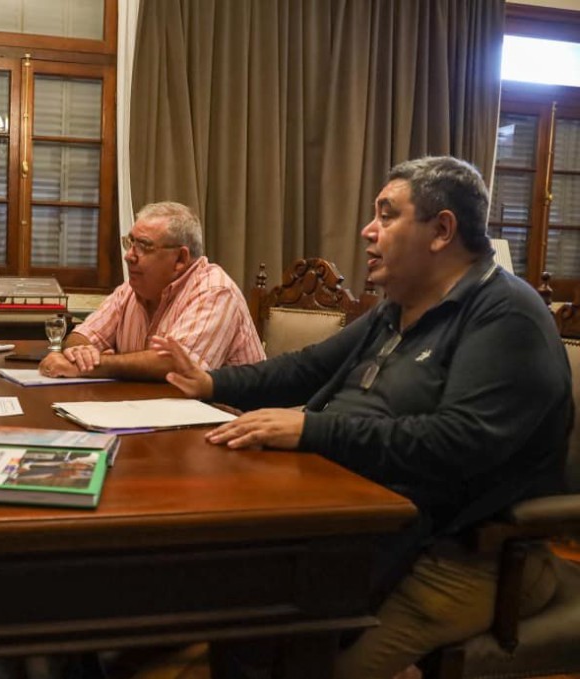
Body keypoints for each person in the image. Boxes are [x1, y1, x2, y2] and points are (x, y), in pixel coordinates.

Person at [151, 156, 569, 678]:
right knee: (235, 599)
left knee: (303, 660)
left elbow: (459, 442)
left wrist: (311, 429)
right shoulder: (398, 306)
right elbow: (307, 368)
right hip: (350, 513)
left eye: (387, 215)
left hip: (456, 551)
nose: (368, 230)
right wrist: (211, 382)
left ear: (442, 230)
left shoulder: (505, 314)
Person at [39, 201, 264, 381]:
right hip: (157, 410)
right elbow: (82, 336)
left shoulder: (215, 290)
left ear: (180, 259)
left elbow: (176, 366)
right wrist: (81, 354)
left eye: (144, 246)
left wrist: (94, 365)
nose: (129, 256)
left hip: (230, 419)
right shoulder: (130, 289)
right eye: (130, 243)